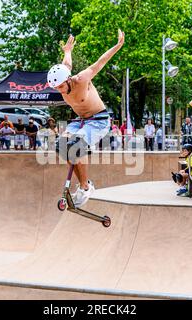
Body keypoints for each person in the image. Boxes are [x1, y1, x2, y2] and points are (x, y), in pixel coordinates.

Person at [48, 29, 125, 207]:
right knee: (61, 145)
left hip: (99, 121)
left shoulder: (81, 79)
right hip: (81, 121)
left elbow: (100, 63)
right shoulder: (63, 73)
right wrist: (67, 50)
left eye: (61, 87)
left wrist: (118, 46)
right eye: (56, 88)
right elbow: (66, 62)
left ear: (67, 80)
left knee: (75, 146)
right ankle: (86, 183)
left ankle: (84, 188)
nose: (60, 90)